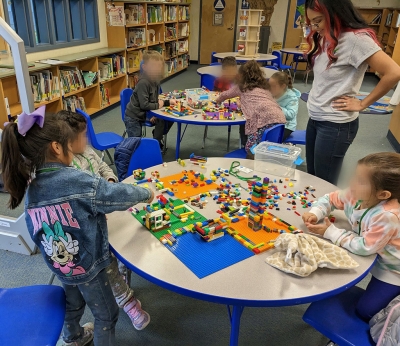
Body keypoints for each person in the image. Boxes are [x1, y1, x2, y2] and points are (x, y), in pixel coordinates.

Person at [1, 107, 154, 346]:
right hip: (90, 267)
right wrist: (145, 193)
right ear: (57, 147)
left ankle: (73, 337)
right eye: (68, 144)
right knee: (107, 315)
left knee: (72, 305)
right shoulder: (77, 180)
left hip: (61, 265)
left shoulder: (32, 189)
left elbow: (34, 231)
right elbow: (114, 194)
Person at [57, 110, 150, 331]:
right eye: (82, 136)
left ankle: (122, 277)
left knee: (127, 244)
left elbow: (104, 168)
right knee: (107, 262)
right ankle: (127, 301)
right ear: (67, 141)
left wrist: (109, 179)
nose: (87, 140)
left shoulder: (88, 152)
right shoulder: (67, 168)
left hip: (108, 211)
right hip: (90, 227)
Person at [305, 0, 400, 185]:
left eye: (318, 21)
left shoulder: (357, 39)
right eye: (311, 23)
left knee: (323, 183)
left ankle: (324, 214)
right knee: (312, 176)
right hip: (315, 117)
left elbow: (394, 72)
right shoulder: (328, 35)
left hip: (335, 124)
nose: (315, 28)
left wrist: (363, 104)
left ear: (335, 13)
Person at [302, 152, 400, 322]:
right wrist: (315, 212)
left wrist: (330, 232)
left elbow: (365, 247)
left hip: (392, 269)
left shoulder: (388, 216)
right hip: (376, 250)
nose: (351, 183)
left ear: (383, 195)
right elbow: (330, 199)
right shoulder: (356, 193)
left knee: (366, 311)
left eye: (360, 181)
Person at [216, 60, 285, 158]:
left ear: (241, 76)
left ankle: (251, 166)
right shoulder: (264, 87)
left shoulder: (242, 87)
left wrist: (217, 100)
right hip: (279, 117)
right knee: (268, 147)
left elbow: (225, 94)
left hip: (262, 120)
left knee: (251, 149)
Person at [124, 50, 176, 149]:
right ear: (145, 68)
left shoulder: (156, 80)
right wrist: (159, 105)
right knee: (135, 144)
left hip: (144, 113)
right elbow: (144, 105)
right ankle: (135, 160)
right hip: (133, 117)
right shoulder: (143, 83)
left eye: (159, 66)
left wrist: (166, 104)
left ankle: (155, 141)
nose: (157, 69)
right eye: (154, 67)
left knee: (169, 117)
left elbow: (154, 99)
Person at [212, 56, 247, 147]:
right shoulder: (219, 81)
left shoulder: (241, 81)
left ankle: (244, 143)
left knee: (246, 120)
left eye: (233, 71)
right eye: (228, 71)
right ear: (223, 71)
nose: (231, 74)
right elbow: (215, 95)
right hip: (222, 108)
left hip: (239, 109)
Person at [269, 72, 301, 141]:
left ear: (283, 86)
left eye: (273, 86)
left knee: (271, 139)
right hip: (273, 123)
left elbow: (291, 115)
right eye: (269, 85)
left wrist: (276, 107)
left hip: (286, 126)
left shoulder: (291, 97)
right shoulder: (272, 94)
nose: (270, 88)